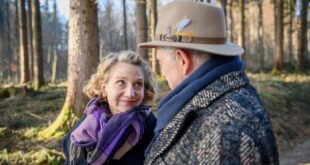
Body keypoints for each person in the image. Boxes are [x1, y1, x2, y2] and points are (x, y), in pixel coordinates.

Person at [138, 1, 279, 164]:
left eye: (161, 63)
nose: (161, 72)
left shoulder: (223, 132)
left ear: (183, 61)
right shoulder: (237, 95)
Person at [62, 50, 157, 165]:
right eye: (121, 82)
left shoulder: (153, 130)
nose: (130, 93)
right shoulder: (87, 122)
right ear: (104, 88)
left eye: (138, 84)